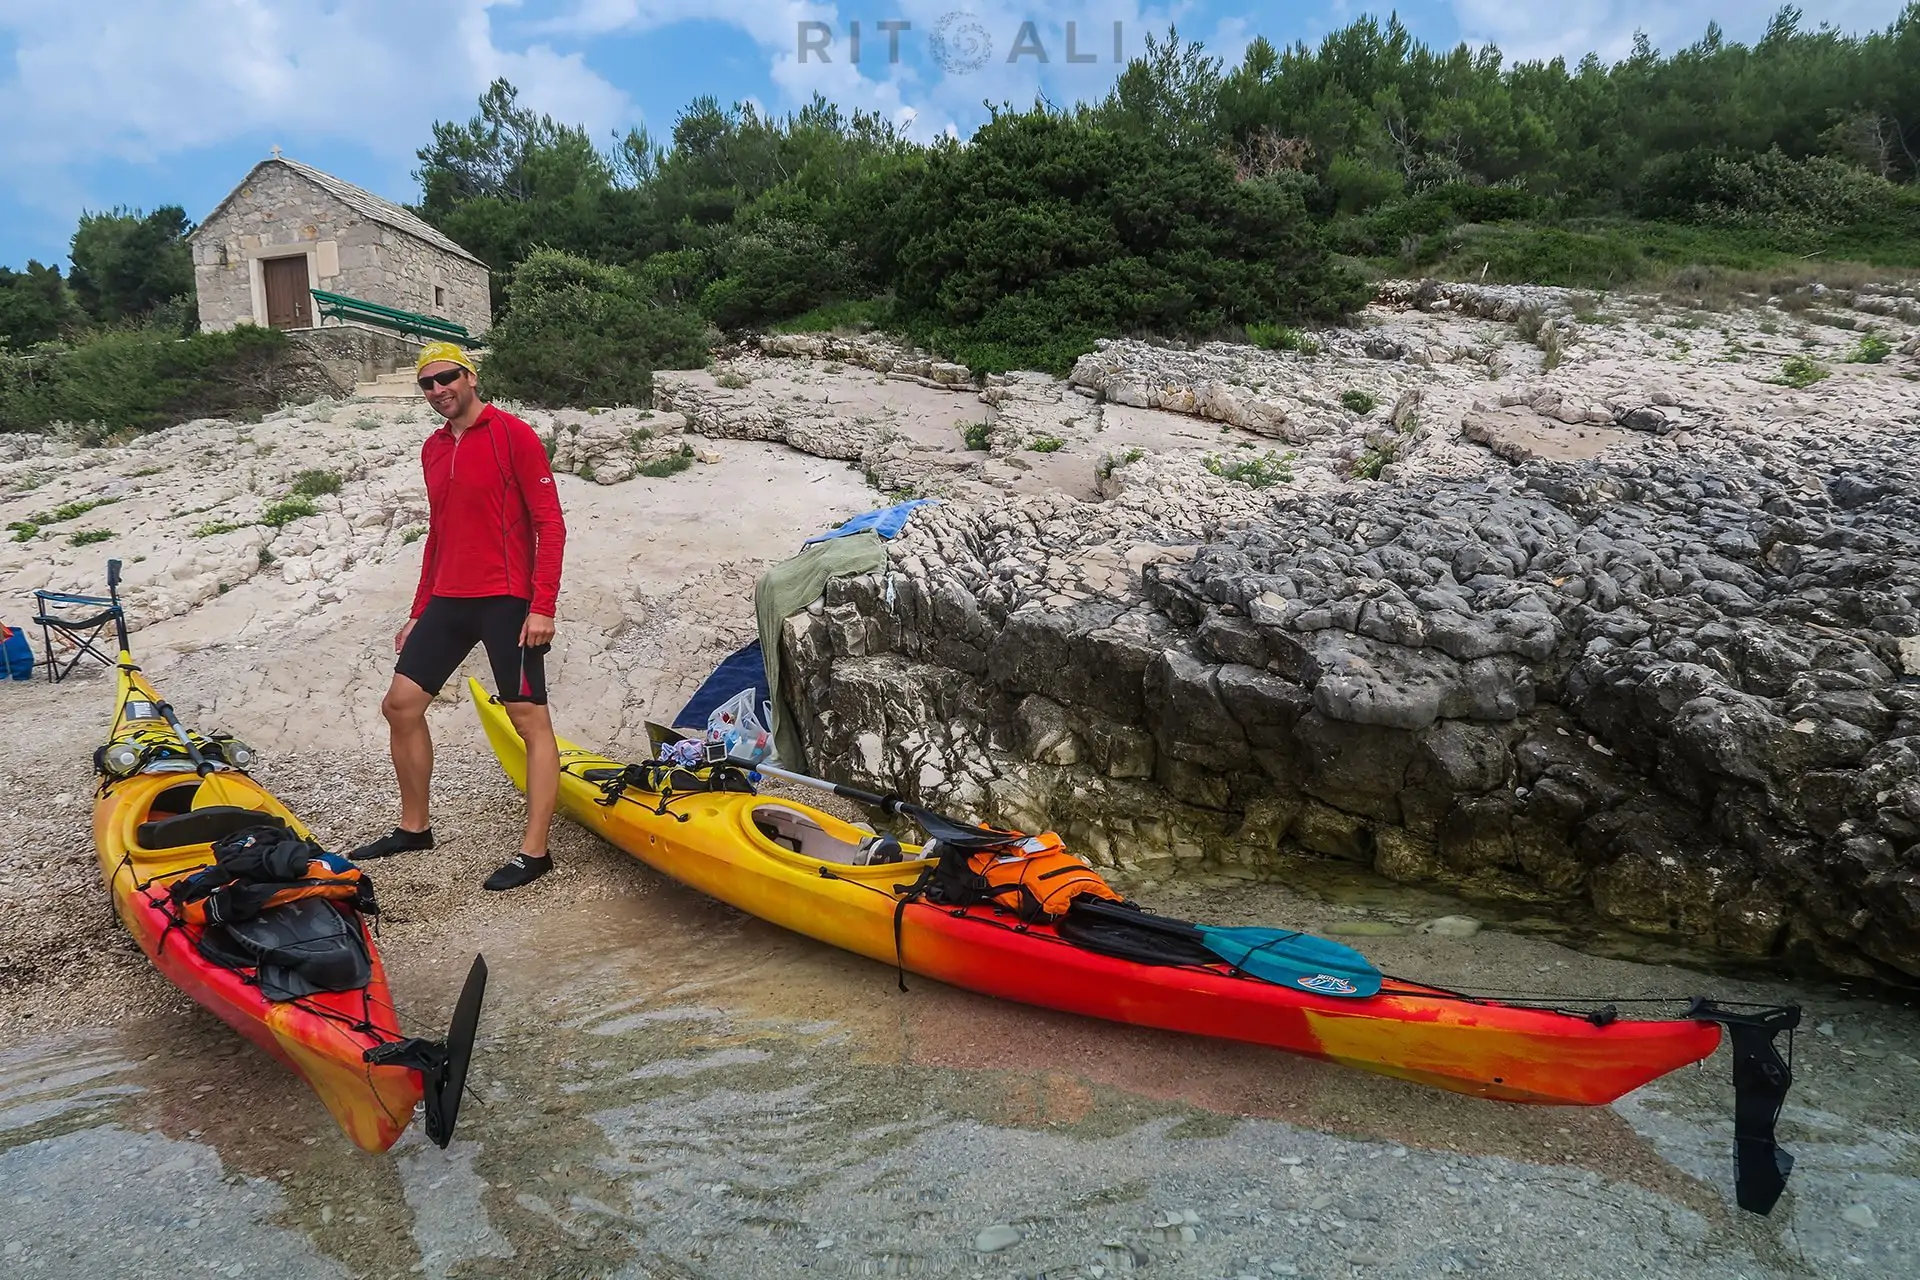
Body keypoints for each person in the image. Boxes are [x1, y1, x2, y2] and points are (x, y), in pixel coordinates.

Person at [351, 342, 566, 891]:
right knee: (400, 705)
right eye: (427, 384)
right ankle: (414, 827)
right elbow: (439, 534)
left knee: (528, 721)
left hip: (506, 601)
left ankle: (535, 851)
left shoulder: (512, 434)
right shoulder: (432, 449)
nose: (438, 390)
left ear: (470, 377)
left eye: (446, 377)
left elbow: (551, 524)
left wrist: (542, 605)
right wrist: (418, 611)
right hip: (449, 598)